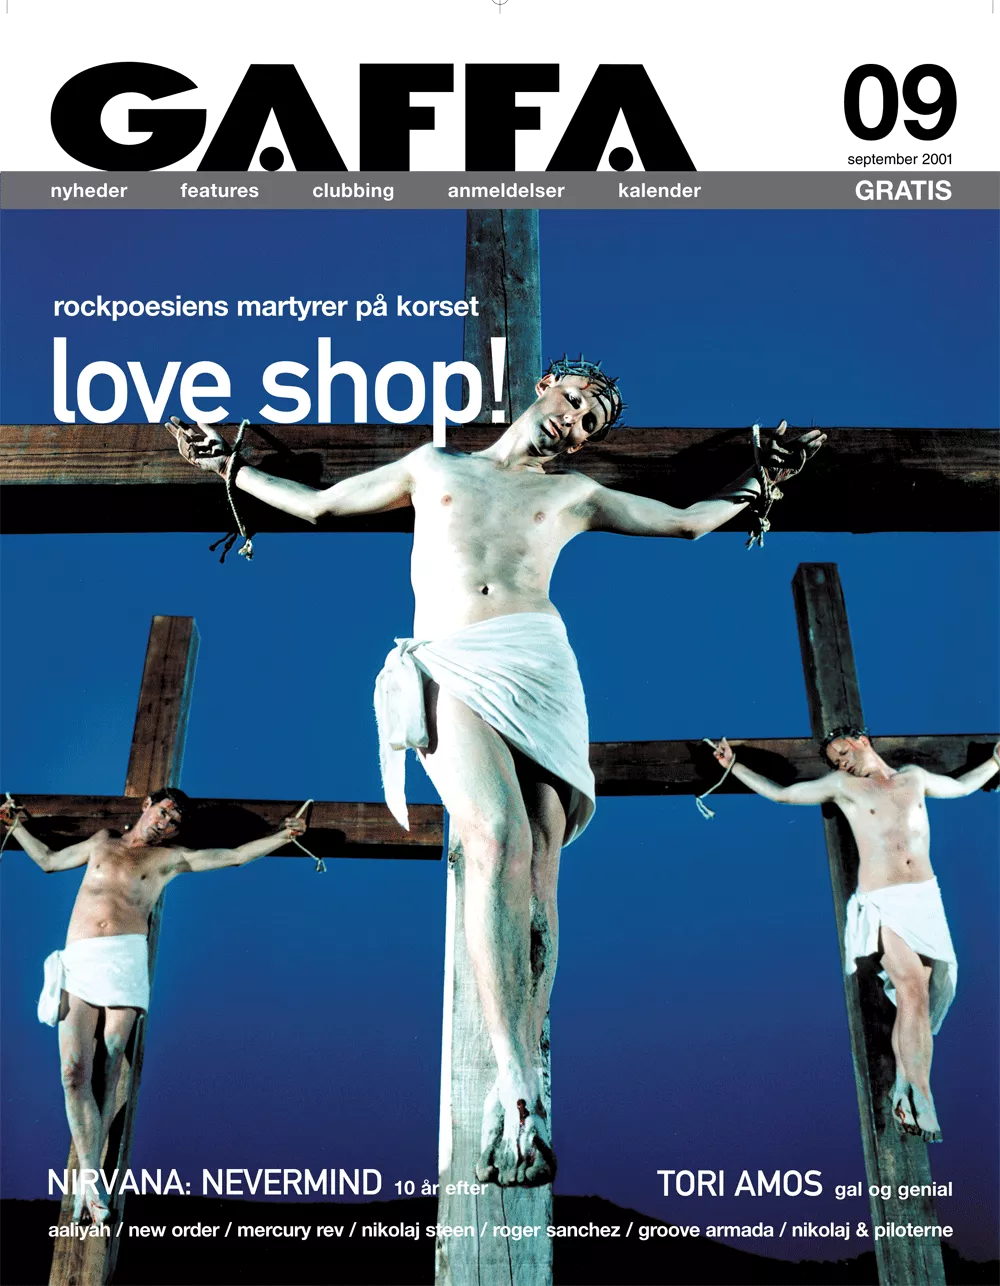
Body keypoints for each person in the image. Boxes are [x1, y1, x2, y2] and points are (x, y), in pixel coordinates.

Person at [167, 356, 824, 1185]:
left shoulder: (575, 494)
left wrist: (763, 480)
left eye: (591, 423)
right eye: (574, 401)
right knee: (494, 839)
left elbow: (689, 523)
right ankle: (511, 1076)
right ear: (546, 385)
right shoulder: (434, 466)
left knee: (542, 871)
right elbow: (320, 504)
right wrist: (227, 465)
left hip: (540, 663)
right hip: (454, 659)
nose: (575, 422)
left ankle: (527, 1078)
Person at [0, 789, 306, 1223]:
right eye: (163, 812)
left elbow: (235, 856)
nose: (165, 823)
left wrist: (282, 837)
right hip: (81, 958)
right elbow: (49, 861)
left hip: (123, 959)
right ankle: (90, 1174)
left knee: (109, 1063)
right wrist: (15, 827)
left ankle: (91, 1178)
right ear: (147, 805)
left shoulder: (169, 858)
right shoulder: (102, 842)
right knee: (72, 1073)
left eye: (174, 822)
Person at [710, 729, 1000, 1142]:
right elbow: (783, 795)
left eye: (843, 752)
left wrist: (995, 762)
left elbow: (959, 786)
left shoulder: (913, 778)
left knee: (918, 996)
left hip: (924, 897)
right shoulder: (844, 786)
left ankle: (904, 1088)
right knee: (910, 987)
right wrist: (734, 765)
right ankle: (922, 1094)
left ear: (862, 740)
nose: (841, 762)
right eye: (835, 760)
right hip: (884, 900)